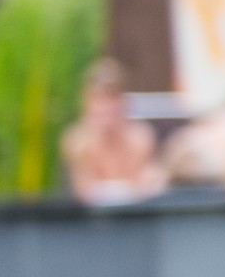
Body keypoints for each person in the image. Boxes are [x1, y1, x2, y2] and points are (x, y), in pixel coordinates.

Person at [61, 59, 162, 204]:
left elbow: (147, 186)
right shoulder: (76, 142)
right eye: (98, 99)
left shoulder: (141, 138)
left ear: (124, 101)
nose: (105, 108)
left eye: (111, 99)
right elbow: (82, 192)